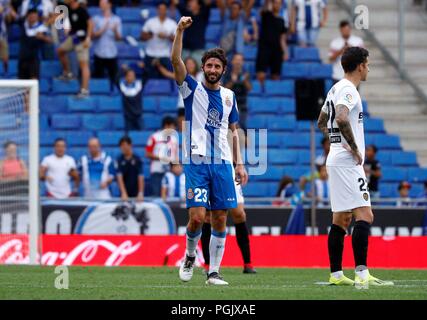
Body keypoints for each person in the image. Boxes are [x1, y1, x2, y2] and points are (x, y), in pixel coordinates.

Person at [171, 16, 248, 285]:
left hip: (223, 162)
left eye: (217, 65)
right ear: (203, 68)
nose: (212, 69)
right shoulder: (191, 89)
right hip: (196, 161)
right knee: (197, 218)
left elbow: (233, 130)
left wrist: (239, 163)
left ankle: (213, 272)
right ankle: (190, 255)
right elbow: (176, 62)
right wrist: (179, 31)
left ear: (223, 70)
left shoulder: (229, 96)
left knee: (220, 217)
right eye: (208, 65)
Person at [317, 47, 393, 287]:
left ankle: (336, 275)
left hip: (336, 159)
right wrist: (354, 148)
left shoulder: (334, 88)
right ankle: (362, 273)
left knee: (341, 218)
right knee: (365, 215)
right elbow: (340, 117)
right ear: (360, 65)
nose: (368, 68)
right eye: (367, 64)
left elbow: (321, 121)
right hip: (348, 162)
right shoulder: (349, 90)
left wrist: (336, 143)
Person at [201, 166, 256, 274]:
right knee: (207, 217)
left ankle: (247, 263)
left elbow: (234, 148)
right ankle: (208, 264)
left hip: (228, 169)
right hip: (208, 168)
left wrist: (239, 164)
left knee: (239, 214)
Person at [56, 0, 92, 98]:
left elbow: (90, 24)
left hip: (82, 40)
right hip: (74, 37)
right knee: (60, 50)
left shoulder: (82, 10)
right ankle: (67, 72)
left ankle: (84, 90)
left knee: (83, 64)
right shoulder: (69, 10)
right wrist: (69, 31)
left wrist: (88, 38)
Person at [141, 1, 177, 79]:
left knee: (166, 78)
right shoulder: (150, 22)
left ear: (166, 10)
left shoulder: (172, 23)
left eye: (163, 9)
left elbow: (176, 40)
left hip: (164, 54)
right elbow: (142, 37)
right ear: (157, 10)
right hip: (150, 53)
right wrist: (151, 35)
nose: (161, 11)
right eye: (160, 9)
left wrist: (166, 36)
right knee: (148, 77)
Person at [91, 0, 122, 90]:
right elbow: (92, 35)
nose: (101, 5)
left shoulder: (116, 19)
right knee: (98, 78)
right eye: (100, 3)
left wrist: (115, 31)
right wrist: (102, 30)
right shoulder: (96, 19)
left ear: (109, 4)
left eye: (103, 3)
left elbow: (119, 38)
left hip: (112, 53)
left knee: (114, 78)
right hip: (99, 53)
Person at [145, 116, 179, 197]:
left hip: (169, 172)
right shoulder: (155, 137)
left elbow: (175, 156)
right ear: (166, 126)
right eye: (172, 127)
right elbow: (147, 153)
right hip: (157, 172)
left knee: (169, 197)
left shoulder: (174, 139)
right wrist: (162, 158)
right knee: (156, 196)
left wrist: (176, 166)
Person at [256, 0, 288, 84]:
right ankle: (261, 94)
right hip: (264, 49)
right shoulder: (266, 15)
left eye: (279, 3)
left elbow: (282, 38)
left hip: (277, 50)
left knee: (276, 76)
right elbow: (265, 7)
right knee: (261, 75)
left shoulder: (282, 20)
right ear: (272, 3)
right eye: (275, 2)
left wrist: (285, 51)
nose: (277, 5)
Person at [172, 0, 212, 66]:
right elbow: (176, 2)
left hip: (199, 49)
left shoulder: (204, 14)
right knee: (181, 71)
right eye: (189, 2)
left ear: (199, 5)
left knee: (200, 72)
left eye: (192, 2)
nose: (189, 3)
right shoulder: (187, 14)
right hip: (186, 49)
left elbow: (208, 2)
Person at [18, 9, 52, 79]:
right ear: (27, 17)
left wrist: (42, 37)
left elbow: (50, 40)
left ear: (37, 17)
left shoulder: (41, 28)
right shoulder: (24, 25)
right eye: (31, 16)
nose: (32, 18)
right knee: (22, 83)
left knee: (34, 81)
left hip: (34, 59)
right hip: (22, 58)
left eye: (34, 17)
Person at [329, 20, 364, 84]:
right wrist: (341, 51)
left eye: (347, 30)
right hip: (338, 75)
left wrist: (351, 50)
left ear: (350, 29)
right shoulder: (335, 42)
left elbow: (363, 57)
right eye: (344, 30)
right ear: (340, 30)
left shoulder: (358, 41)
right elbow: (331, 59)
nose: (346, 32)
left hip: (354, 75)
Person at [223, 53, 251, 130]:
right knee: (229, 127)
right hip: (229, 104)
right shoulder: (227, 74)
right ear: (232, 61)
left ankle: (243, 140)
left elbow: (249, 88)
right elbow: (224, 88)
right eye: (236, 60)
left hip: (242, 105)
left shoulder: (246, 74)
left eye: (240, 60)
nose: (238, 62)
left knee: (242, 126)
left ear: (243, 62)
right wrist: (232, 80)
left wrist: (245, 80)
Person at [115, 136, 144, 202]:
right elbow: (119, 177)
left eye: (125, 145)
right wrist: (123, 192)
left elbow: (141, 176)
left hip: (136, 192)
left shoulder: (137, 159)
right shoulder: (119, 159)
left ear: (130, 145)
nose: (123, 148)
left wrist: (140, 193)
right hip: (124, 192)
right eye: (121, 146)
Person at [0, 0, 17, 75]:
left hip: (2, 34)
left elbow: (10, 19)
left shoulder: (5, 5)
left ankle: (6, 72)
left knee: (5, 57)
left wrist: (8, 9)